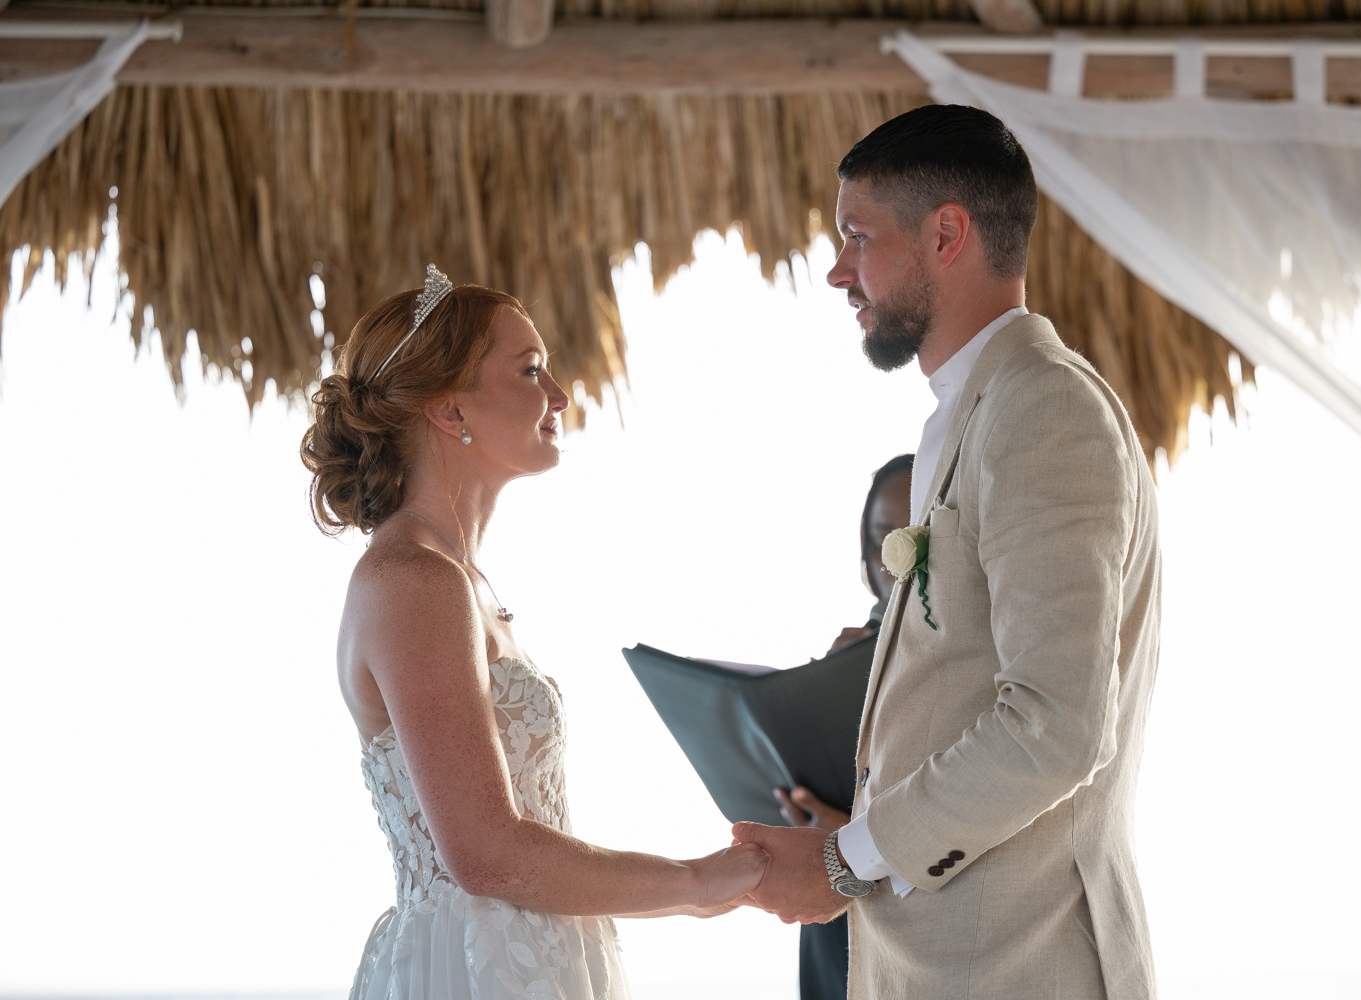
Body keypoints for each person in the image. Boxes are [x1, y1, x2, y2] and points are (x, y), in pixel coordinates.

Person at [734, 105, 1163, 999]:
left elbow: (1055, 725)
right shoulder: (975, 411)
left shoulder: (1046, 410)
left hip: (1015, 965)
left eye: (858, 236)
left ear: (946, 234)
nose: (836, 270)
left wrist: (843, 859)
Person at [301, 266, 767, 1000]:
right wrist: (696, 882)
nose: (559, 395)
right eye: (530, 370)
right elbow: (488, 854)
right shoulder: (413, 580)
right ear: (448, 408)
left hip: (537, 961)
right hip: (467, 971)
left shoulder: (461, 581)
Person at [775, 454, 912, 1000]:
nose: (894, 558)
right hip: (832, 915)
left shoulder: (969, 665)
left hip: (913, 929)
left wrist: (854, 835)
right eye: (881, 539)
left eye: (913, 535)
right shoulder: (850, 650)